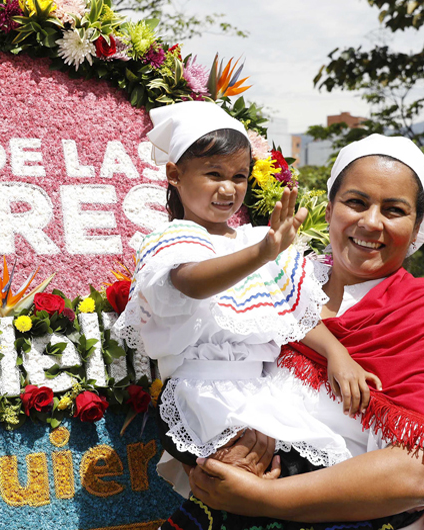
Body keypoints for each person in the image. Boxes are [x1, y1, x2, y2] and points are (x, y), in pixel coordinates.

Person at [161, 134, 424, 530]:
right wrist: (220, 455)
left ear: (416, 229)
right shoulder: (274, 284)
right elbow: (198, 365)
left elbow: (423, 472)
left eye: (394, 210)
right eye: (356, 202)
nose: (370, 222)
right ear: (329, 210)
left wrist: (263, 498)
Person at [114, 101, 380, 494]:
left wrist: (338, 354)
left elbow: (294, 313)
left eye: (239, 176)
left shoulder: (255, 239)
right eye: (214, 174)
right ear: (175, 174)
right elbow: (191, 282)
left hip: (264, 391)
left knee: (322, 468)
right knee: (233, 486)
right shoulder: (170, 240)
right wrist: (260, 256)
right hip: (203, 395)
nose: (228, 188)